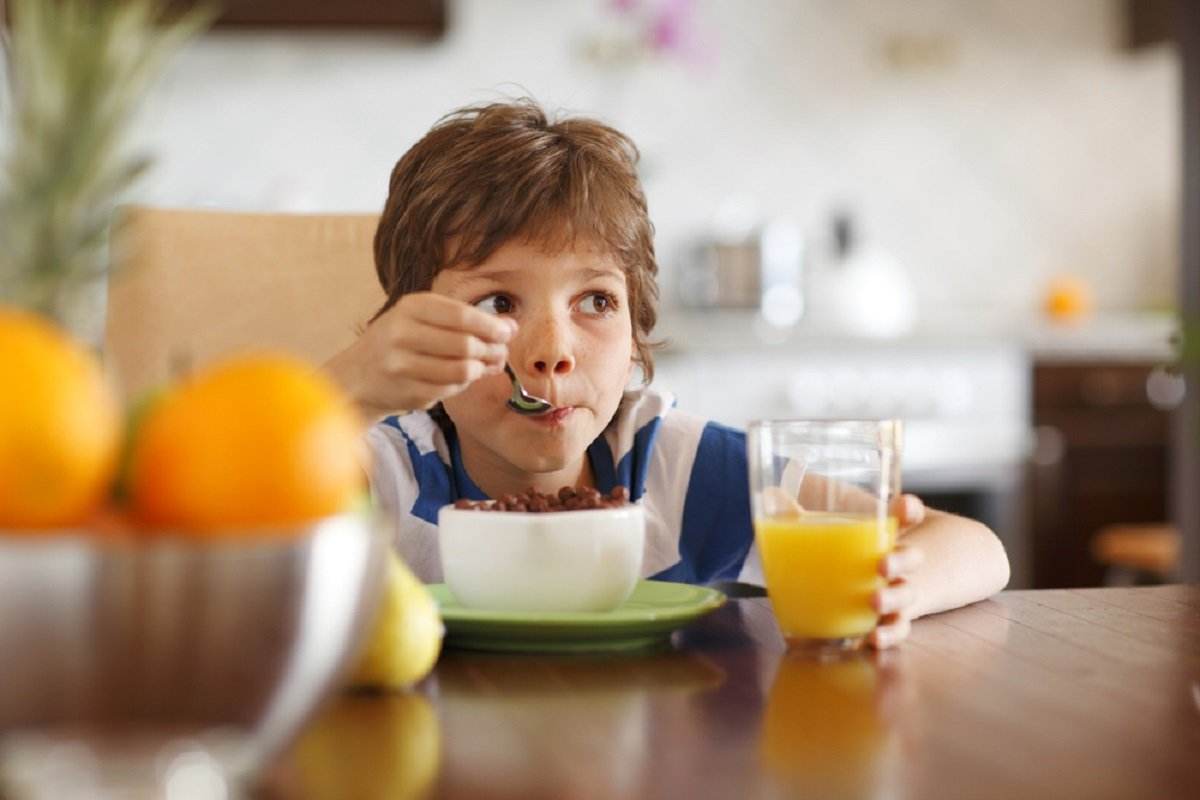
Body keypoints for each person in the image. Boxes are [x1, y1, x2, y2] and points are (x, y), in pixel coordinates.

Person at [324, 99, 1010, 648]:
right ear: (411, 324)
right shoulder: (386, 476)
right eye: (498, 303)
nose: (552, 351)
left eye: (595, 301)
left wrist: (902, 584)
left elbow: (976, 548)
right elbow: (220, 526)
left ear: (635, 331)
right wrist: (348, 389)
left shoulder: (675, 468)